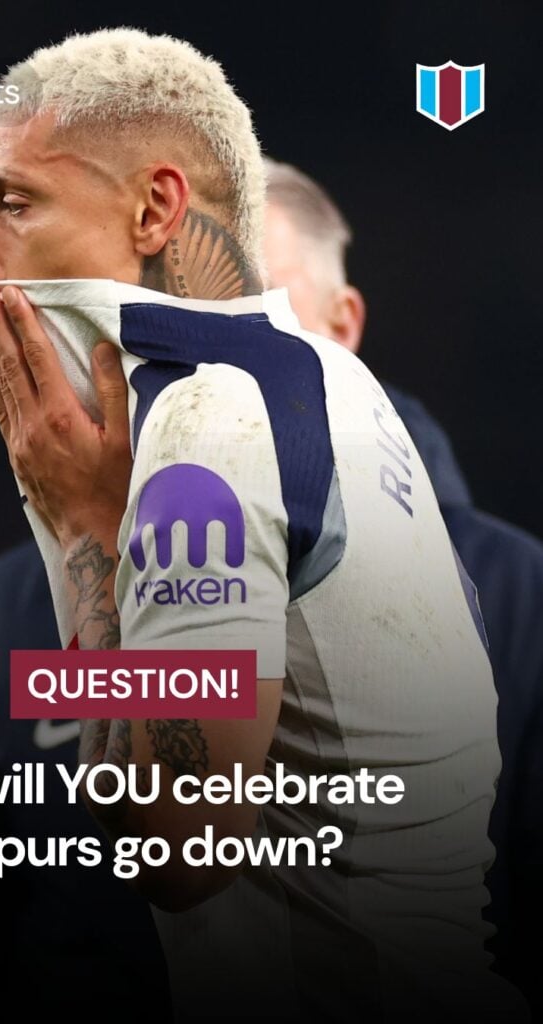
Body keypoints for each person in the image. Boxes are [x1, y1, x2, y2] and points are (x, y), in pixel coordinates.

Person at [0, 28, 525, 1022]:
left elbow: (176, 846)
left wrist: (84, 527)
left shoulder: (210, 422)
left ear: (154, 209)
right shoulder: (333, 380)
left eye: (14, 202)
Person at [260, 158, 543, 1016]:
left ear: (342, 323)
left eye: (257, 309)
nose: (212, 352)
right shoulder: (11, 612)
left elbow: (173, 849)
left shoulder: (517, 598)